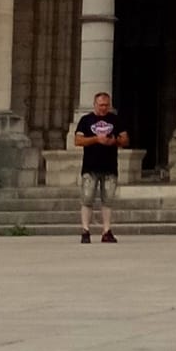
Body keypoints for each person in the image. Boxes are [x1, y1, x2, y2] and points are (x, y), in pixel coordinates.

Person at [73, 90, 126, 244]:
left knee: (108, 200)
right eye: (101, 105)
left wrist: (114, 141)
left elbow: (125, 139)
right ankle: (85, 230)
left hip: (110, 166)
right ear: (95, 104)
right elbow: (78, 140)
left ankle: (106, 231)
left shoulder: (115, 120)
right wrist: (96, 139)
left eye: (107, 105)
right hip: (90, 166)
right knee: (87, 199)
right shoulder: (86, 120)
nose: (104, 108)